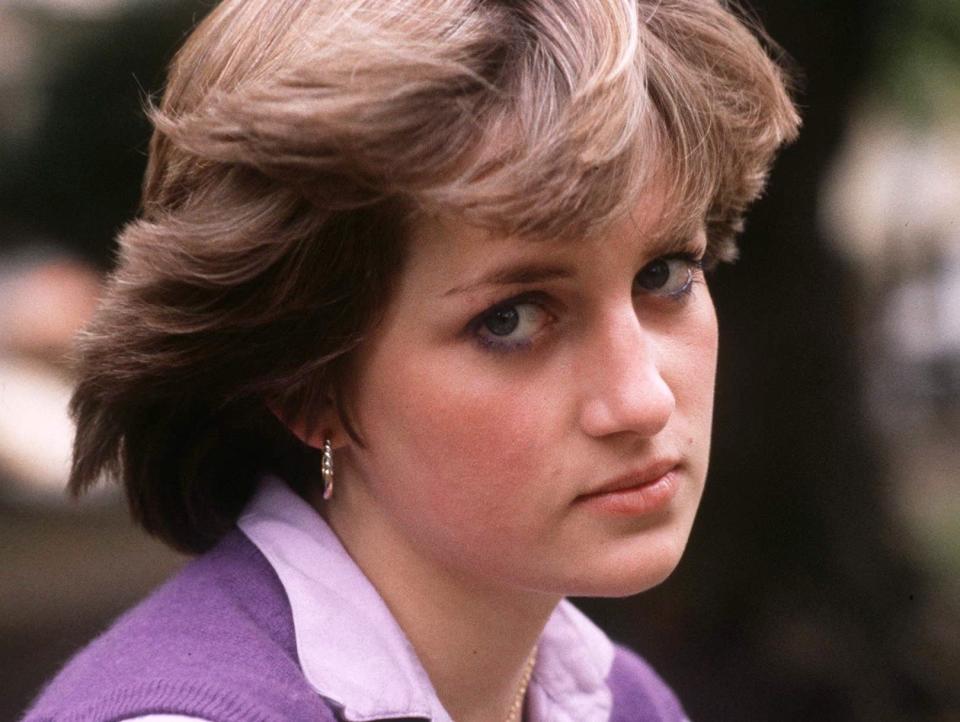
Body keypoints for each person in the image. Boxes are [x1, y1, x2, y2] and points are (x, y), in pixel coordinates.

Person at [23, 0, 799, 720]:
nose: (642, 399)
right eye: (513, 317)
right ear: (305, 387)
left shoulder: (625, 703)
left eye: (663, 276)